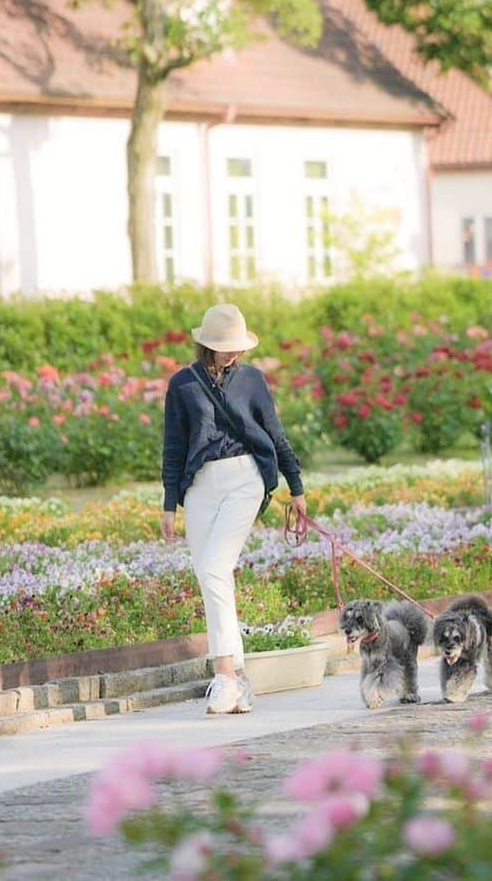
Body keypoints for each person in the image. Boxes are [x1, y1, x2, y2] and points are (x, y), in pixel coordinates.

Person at [161, 303, 307, 715]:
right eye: (226, 347)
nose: (234, 354)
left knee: (213, 568)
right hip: (201, 487)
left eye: (238, 347)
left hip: (246, 478)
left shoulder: (253, 381)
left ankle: (224, 676)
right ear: (206, 345)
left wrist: (296, 486)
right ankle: (239, 681)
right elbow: (173, 446)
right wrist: (169, 504)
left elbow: (275, 435)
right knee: (210, 577)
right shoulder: (183, 385)